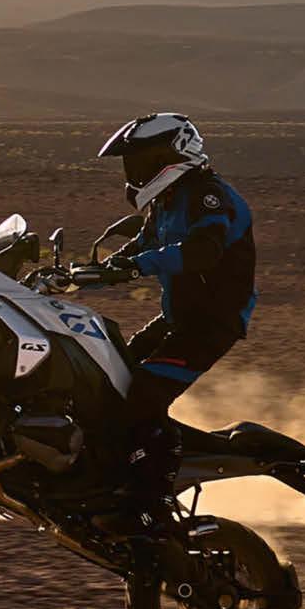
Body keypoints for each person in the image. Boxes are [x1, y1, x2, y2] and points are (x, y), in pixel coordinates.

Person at [94, 113, 257, 535]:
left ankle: (153, 503)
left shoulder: (208, 196)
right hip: (178, 318)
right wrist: (96, 270)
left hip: (211, 323)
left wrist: (136, 267)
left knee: (143, 395)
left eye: (142, 160)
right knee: (109, 373)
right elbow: (145, 242)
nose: (134, 170)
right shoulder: (168, 200)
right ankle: (107, 476)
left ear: (173, 155)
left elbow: (202, 251)